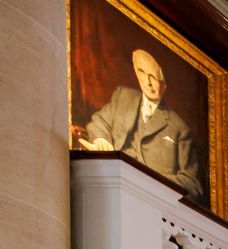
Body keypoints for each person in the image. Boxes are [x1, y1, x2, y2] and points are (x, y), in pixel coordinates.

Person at [78, 48, 205, 203]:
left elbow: (193, 185)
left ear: (164, 85)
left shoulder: (180, 129)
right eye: (141, 73)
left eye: (153, 77)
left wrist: (147, 179)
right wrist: (101, 140)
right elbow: (98, 121)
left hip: (149, 202)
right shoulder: (123, 96)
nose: (147, 82)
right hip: (111, 190)